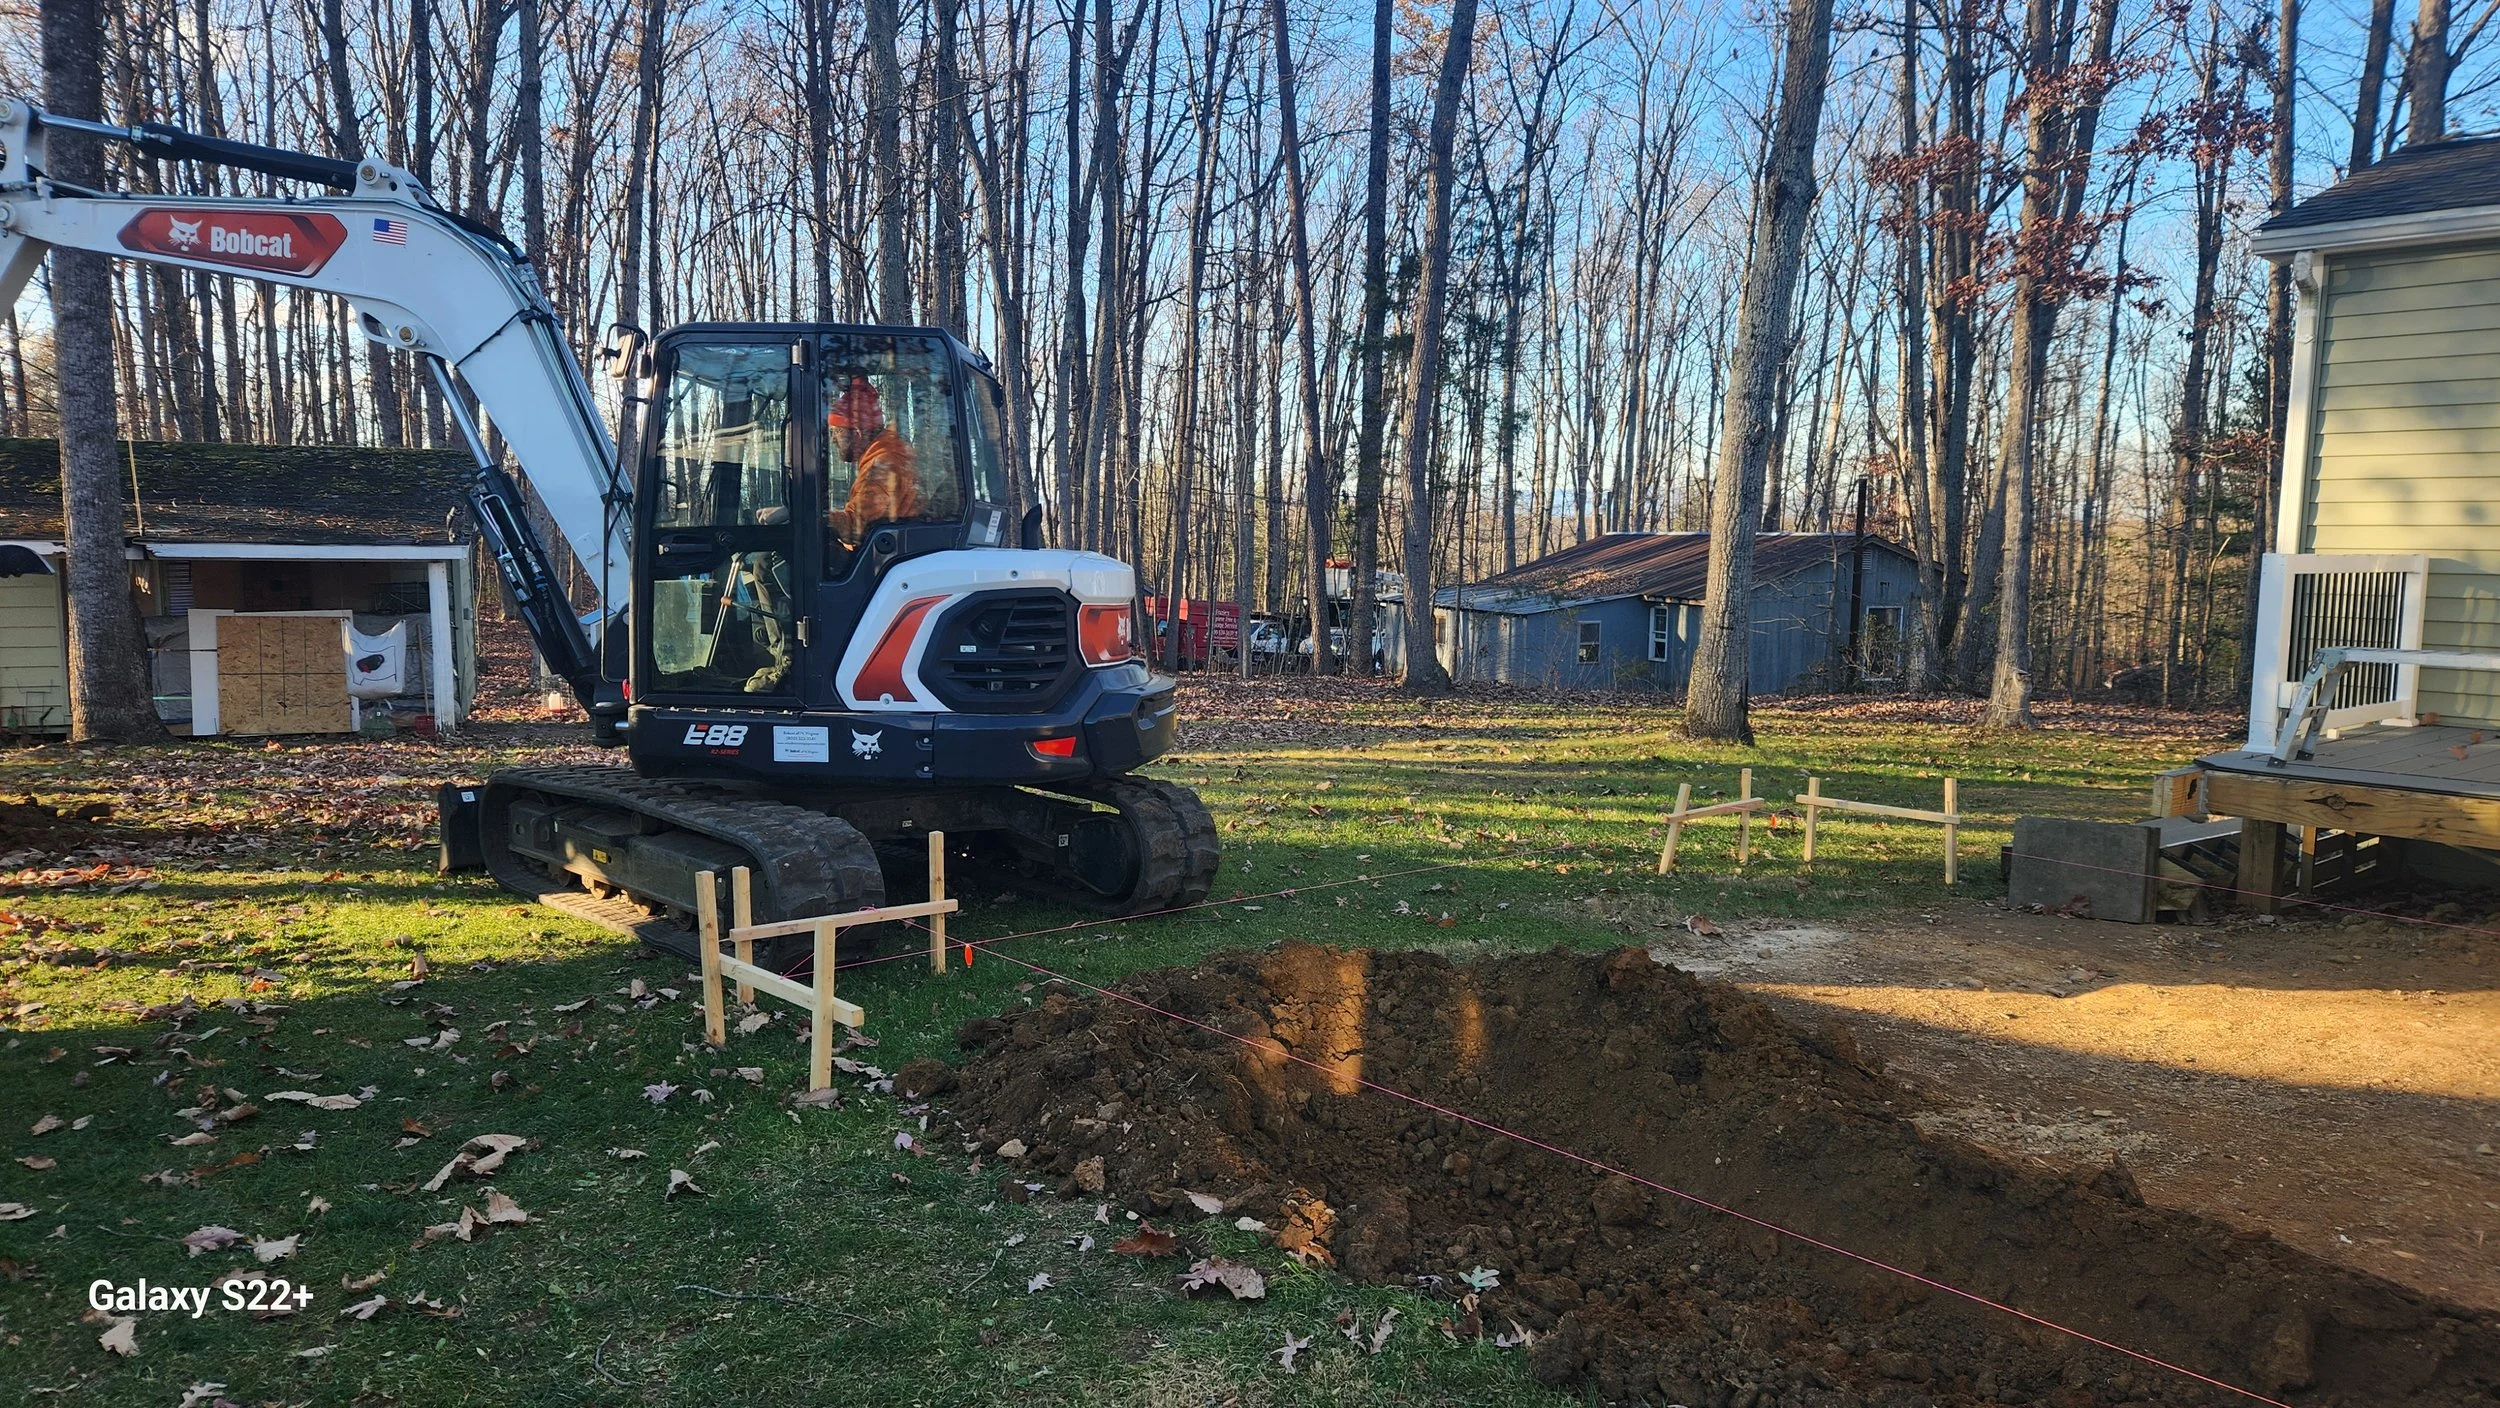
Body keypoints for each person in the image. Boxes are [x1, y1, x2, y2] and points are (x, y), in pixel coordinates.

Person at [825, 374, 918, 548]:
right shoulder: (883, 456)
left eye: (836, 432)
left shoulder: (885, 465)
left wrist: (809, 517)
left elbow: (855, 526)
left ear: (857, 433)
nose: (833, 440)